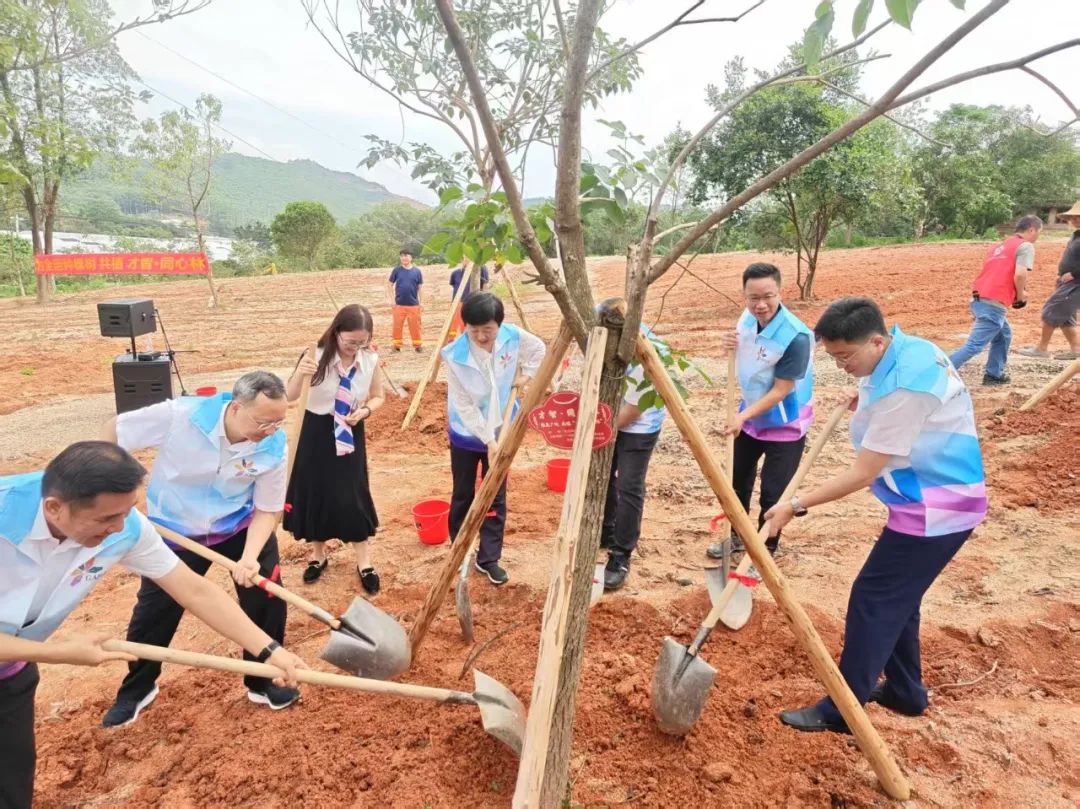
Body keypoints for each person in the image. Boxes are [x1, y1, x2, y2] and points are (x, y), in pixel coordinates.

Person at [0, 442, 305, 809]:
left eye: (128, 510)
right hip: (20, 654)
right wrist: (56, 652)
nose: (119, 527)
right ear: (54, 508)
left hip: (10, 676)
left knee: (11, 784)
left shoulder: (125, 526)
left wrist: (268, 650)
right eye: (107, 518)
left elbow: (193, 590)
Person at [765, 297, 986, 733]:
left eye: (845, 356)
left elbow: (863, 472)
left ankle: (843, 710)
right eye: (833, 358)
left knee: (873, 598)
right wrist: (862, 397)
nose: (841, 366)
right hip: (935, 499)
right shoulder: (909, 349)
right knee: (898, 599)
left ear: (876, 341)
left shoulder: (904, 390)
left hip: (936, 510)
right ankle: (906, 692)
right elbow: (887, 394)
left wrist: (794, 505)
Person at [100, 371, 296, 727]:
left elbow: (267, 510)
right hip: (177, 530)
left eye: (278, 422)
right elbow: (116, 429)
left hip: (239, 526)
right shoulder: (180, 416)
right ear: (236, 408)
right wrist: (110, 482)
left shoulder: (273, 444)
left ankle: (263, 680)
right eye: (263, 422)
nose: (270, 430)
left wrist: (250, 557)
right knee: (155, 611)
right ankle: (137, 688)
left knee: (266, 599)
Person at [705, 262, 813, 561]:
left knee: (773, 494)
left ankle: (765, 551)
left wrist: (741, 417)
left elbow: (781, 390)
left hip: (784, 423)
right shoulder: (747, 318)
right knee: (736, 481)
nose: (760, 304)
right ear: (744, 295)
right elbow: (747, 352)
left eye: (768, 296)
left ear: (780, 292)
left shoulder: (796, 337)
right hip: (752, 418)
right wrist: (730, 344)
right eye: (753, 298)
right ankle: (736, 536)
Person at [443, 292, 545, 585]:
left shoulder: (513, 336)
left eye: (487, 329)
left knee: (496, 495)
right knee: (463, 492)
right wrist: (488, 440)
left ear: (499, 324)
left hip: (502, 426)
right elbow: (464, 405)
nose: (481, 336)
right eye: (473, 330)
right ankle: (460, 550)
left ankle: (489, 558)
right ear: (465, 326)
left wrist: (527, 376)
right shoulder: (454, 355)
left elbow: (539, 350)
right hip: (466, 431)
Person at [285, 305, 384, 593]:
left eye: (362, 342)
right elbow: (290, 396)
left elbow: (378, 396)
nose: (355, 347)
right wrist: (300, 372)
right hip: (315, 431)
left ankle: (364, 562)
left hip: (350, 428)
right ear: (336, 332)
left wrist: (365, 411)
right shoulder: (315, 356)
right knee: (316, 492)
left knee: (352, 493)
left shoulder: (369, 360)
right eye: (350, 341)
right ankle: (318, 556)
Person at [600, 326, 669, 591]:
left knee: (628, 485)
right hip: (611, 416)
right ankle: (606, 531)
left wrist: (600, 431)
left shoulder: (646, 353)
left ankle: (621, 554)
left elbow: (633, 410)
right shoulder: (600, 330)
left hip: (639, 426)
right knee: (603, 476)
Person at [950, 215, 1043, 385]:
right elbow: (1020, 274)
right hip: (994, 302)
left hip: (980, 297)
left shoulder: (999, 246)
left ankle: (994, 374)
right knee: (974, 345)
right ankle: (939, 371)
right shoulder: (1025, 246)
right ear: (1032, 229)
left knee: (1004, 335)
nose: (1037, 237)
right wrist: (1020, 296)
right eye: (1038, 233)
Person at [1017, 202, 1080, 360]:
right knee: (1065, 316)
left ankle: (1042, 348)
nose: (1074, 219)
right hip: (1068, 283)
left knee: (1051, 310)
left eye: (1078, 217)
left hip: (1076, 283)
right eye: (1073, 217)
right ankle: (1076, 349)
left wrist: (1074, 273)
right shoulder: (1077, 235)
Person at [387, 248, 424, 352]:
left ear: (411, 257)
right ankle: (396, 346)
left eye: (406, 256)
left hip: (413, 305)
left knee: (415, 326)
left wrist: (422, 302)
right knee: (397, 326)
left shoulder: (417, 271)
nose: (404, 258)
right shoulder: (396, 270)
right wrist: (392, 300)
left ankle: (418, 346)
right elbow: (389, 285)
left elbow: (420, 288)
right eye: (402, 256)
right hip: (399, 304)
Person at [448, 260, 491, 340]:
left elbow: (484, 285)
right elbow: (455, 289)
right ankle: (453, 341)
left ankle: (471, 340)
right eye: (463, 257)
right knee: (455, 324)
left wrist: (484, 301)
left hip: (474, 302)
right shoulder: (456, 273)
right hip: (459, 302)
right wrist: (453, 303)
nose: (464, 259)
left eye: (466, 256)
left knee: (472, 323)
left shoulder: (481, 267)